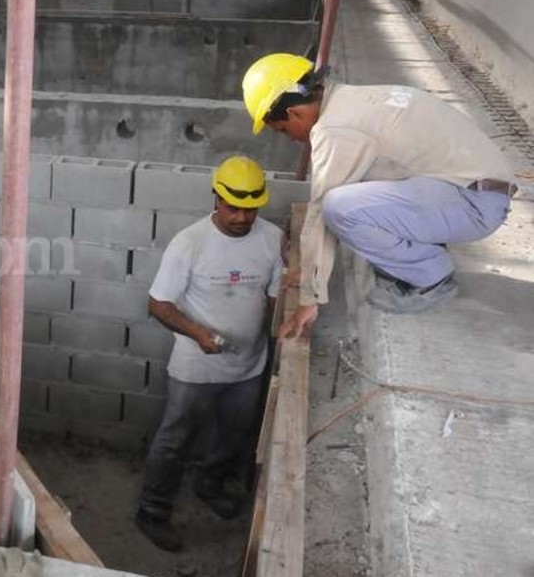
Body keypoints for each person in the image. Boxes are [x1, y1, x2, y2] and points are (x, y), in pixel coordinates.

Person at [241, 53, 517, 336]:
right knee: (357, 184)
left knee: (338, 207)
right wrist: (312, 270)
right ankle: (425, 252)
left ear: (293, 113)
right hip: (475, 189)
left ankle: (432, 277)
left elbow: (320, 211)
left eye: (285, 131)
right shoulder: (350, 100)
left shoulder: (333, 130)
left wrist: (310, 299)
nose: (293, 139)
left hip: (475, 204)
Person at [134, 156, 284, 552]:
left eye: (250, 209)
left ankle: (210, 484)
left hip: (248, 365)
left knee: (233, 432)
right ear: (216, 198)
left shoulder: (271, 239)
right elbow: (159, 304)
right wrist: (200, 333)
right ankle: (152, 510)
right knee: (174, 438)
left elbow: (274, 298)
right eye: (234, 207)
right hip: (196, 366)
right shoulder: (190, 243)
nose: (242, 217)